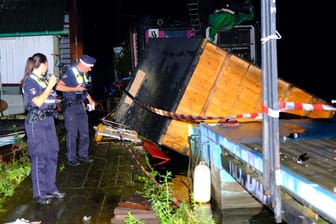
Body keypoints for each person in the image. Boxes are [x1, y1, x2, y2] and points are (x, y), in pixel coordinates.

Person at [21, 53, 65, 205]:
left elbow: (49, 99)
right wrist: (50, 86)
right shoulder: (30, 82)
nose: (48, 69)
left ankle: (50, 189)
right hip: (36, 123)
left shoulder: (43, 80)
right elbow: (39, 102)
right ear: (43, 64)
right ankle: (39, 193)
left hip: (48, 121)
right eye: (47, 65)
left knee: (52, 153)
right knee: (39, 156)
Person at [56, 55, 96, 166]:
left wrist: (90, 100)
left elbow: (84, 90)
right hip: (70, 107)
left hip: (80, 106)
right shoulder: (70, 73)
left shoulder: (84, 74)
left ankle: (83, 155)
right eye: (89, 67)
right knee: (72, 133)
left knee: (84, 132)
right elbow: (59, 87)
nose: (90, 69)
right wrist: (75, 89)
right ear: (83, 65)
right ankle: (71, 158)